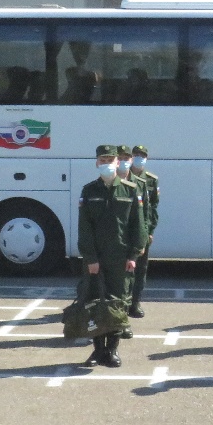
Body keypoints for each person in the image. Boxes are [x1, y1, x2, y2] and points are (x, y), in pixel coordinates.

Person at [76, 144, 147, 368]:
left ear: (118, 163)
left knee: (118, 304)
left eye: (110, 160)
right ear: (97, 163)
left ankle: (112, 350)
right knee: (95, 303)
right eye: (103, 161)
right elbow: (84, 228)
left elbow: (138, 225)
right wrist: (90, 258)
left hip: (120, 257)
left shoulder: (130, 190)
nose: (106, 164)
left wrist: (134, 254)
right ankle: (98, 350)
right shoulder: (89, 191)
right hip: (96, 258)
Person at [126, 144, 160, 319]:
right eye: (136, 155)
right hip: (126, 231)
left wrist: (150, 231)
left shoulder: (151, 180)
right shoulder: (124, 177)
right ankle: (122, 303)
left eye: (142, 155)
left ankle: (135, 303)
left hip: (142, 232)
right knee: (125, 269)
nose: (139, 158)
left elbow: (152, 208)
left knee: (140, 269)